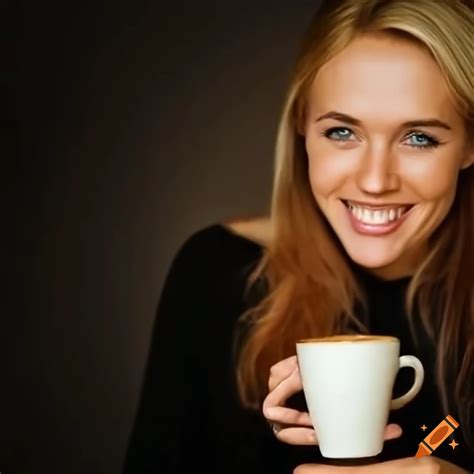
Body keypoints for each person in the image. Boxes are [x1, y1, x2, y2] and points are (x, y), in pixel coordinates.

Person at [122, 0, 474, 472]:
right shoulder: (218, 274)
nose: (375, 181)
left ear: (470, 146)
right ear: (302, 127)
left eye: (418, 138)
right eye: (342, 131)